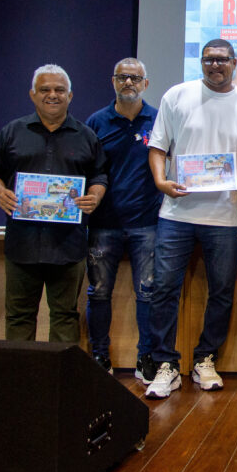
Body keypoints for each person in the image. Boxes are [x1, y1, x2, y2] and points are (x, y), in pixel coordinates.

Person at [144, 39, 237, 399]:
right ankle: (165, 363)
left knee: (222, 292)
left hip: (225, 217)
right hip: (176, 213)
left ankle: (204, 359)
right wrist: (160, 182)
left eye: (222, 60)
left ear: (232, 63)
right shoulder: (176, 96)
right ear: (201, 62)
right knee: (163, 288)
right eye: (209, 60)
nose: (215, 66)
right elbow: (158, 147)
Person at [0, 64, 107, 342]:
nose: (52, 95)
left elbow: (99, 174)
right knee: (19, 316)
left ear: (70, 96)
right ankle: (20, 383)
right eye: (45, 89)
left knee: (65, 315)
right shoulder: (12, 132)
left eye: (59, 90)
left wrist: (95, 195)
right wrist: (0, 192)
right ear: (32, 94)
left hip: (68, 244)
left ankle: (59, 384)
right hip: (22, 243)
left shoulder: (86, 135)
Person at [84, 58, 162, 382]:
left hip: (148, 222)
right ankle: (99, 356)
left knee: (147, 293)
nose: (128, 82)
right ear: (112, 81)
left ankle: (146, 357)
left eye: (134, 77)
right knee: (99, 292)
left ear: (146, 83)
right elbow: (87, 168)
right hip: (104, 223)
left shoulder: (158, 120)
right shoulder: (96, 122)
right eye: (122, 77)